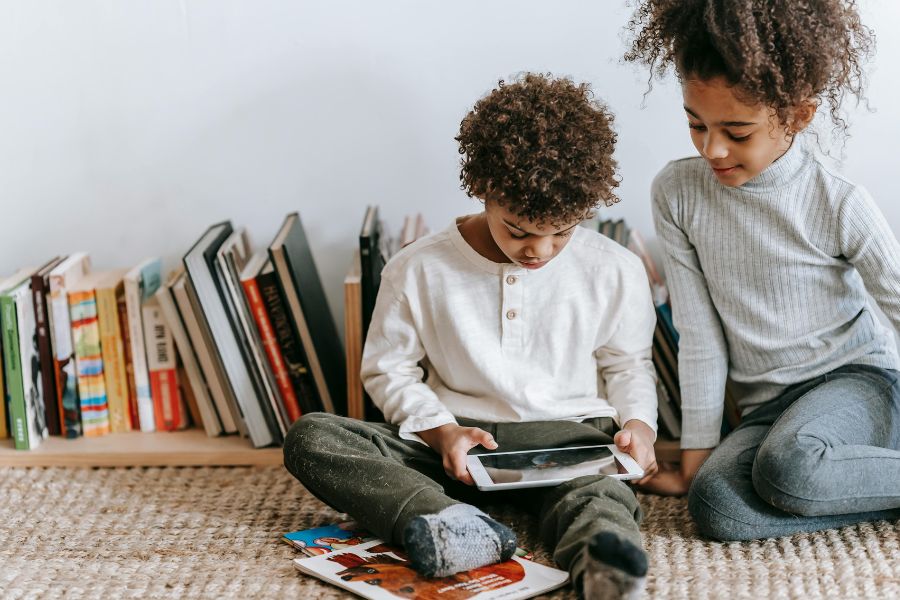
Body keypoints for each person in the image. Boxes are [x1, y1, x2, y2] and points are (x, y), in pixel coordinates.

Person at [284, 73, 659, 599]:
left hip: (569, 440)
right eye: (520, 230)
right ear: (484, 190)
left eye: (563, 232)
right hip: (456, 448)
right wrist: (440, 430)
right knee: (313, 437)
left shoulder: (614, 268)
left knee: (597, 499)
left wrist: (639, 425)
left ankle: (606, 569)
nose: (540, 252)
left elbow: (627, 365)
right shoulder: (417, 267)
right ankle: (450, 523)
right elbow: (388, 369)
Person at [624, 0, 900, 540]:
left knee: (789, 467)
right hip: (766, 411)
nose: (713, 149)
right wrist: (695, 462)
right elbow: (700, 337)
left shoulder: (837, 200)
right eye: (695, 124)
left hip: (857, 383)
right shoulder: (677, 194)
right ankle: (860, 483)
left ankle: (841, 468)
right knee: (715, 506)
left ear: (798, 115)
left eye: (738, 132)